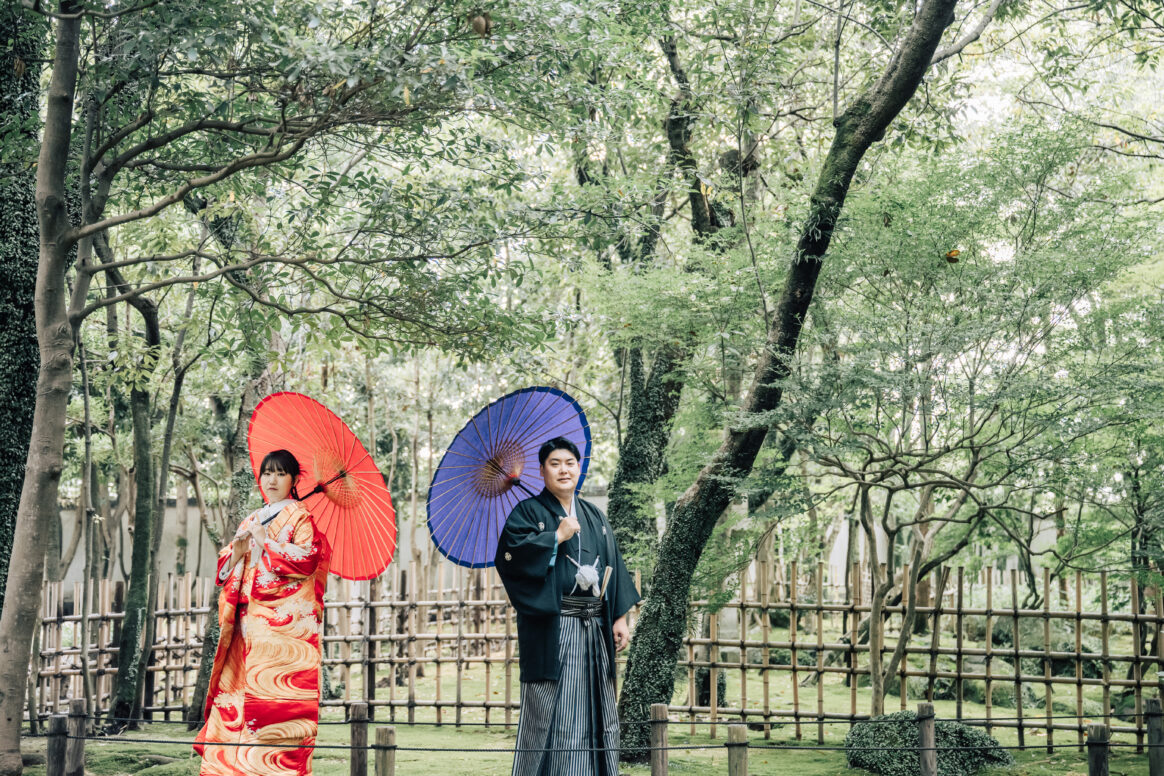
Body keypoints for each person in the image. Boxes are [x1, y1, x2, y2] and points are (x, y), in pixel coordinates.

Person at [495, 436, 641, 776]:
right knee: (552, 709)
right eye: (555, 464)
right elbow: (511, 559)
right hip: (555, 627)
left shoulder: (594, 515)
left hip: (595, 627)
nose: (563, 470)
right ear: (542, 471)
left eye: (569, 463)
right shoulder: (527, 513)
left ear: (579, 468)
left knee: (598, 706)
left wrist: (619, 617)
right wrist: (555, 537)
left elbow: (614, 565)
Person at [194, 449, 332, 776]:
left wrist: (266, 542)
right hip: (245, 626)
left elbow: (306, 562)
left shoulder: (301, 518)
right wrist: (238, 552)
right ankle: (232, 768)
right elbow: (227, 570)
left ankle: (274, 768)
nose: (272, 480)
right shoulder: (253, 519)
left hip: (279, 633)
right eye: (267, 473)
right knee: (236, 695)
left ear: (294, 480)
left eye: (281, 474)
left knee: (274, 701)